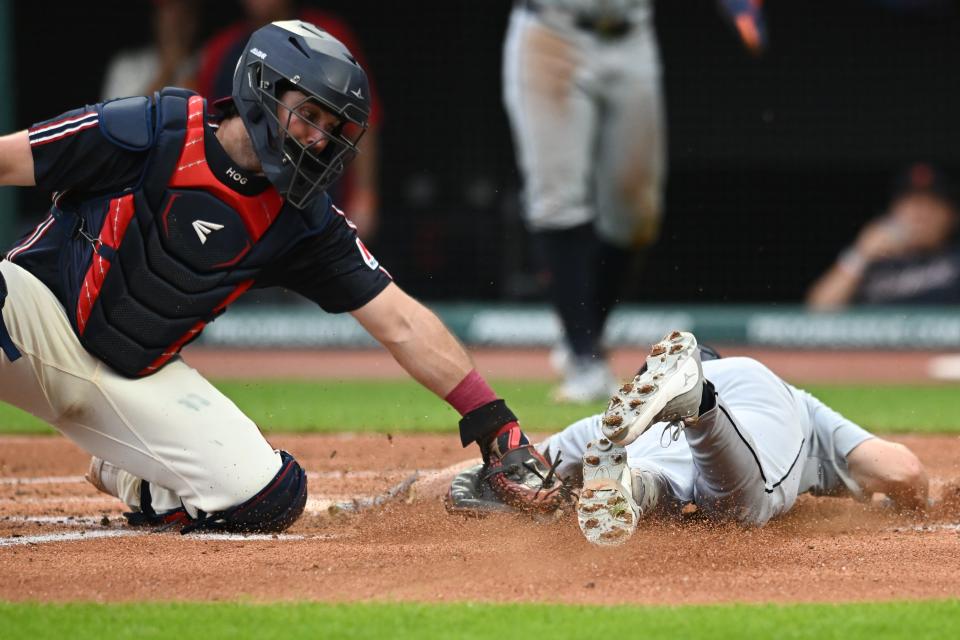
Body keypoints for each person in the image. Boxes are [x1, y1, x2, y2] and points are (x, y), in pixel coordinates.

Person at [0, 21, 562, 534]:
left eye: (331, 127)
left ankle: (136, 476)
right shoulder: (150, 130)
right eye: (309, 115)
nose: (319, 139)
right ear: (262, 87)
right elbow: (6, 161)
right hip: (33, 318)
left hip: (135, 376)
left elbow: (400, 320)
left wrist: (493, 421)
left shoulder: (303, 218)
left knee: (269, 500)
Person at [501, 0, 768, 403]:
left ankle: (584, 331)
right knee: (557, 199)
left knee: (637, 216)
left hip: (631, 35)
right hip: (552, 30)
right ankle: (583, 356)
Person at [448, 331, 928, 546]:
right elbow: (902, 470)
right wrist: (913, 505)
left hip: (649, 425)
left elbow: (521, 463)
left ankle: (635, 483)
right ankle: (699, 407)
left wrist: (420, 486)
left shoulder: (613, 422)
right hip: (748, 394)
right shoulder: (795, 401)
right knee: (743, 510)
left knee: (662, 472)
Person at [194, 0, 382, 240]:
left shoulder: (329, 40)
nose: (320, 139)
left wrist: (365, 194)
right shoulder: (222, 48)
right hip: (239, 198)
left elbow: (364, 123)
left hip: (310, 198)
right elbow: (203, 123)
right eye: (309, 114)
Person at [806, 163, 960, 309]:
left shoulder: (955, 260)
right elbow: (818, 311)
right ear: (893, 211)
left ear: (952, 214)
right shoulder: (872, 263)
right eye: (912, 204)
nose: (920, 216)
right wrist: (860, 254)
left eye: (931, 205)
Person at [101, 0, 201, 100]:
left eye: (185, 11)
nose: (177, 20)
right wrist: (168, 70)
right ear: (156, 18)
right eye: (170, 11)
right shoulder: (128, 67)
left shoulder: (208, 61)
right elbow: (118, 114)